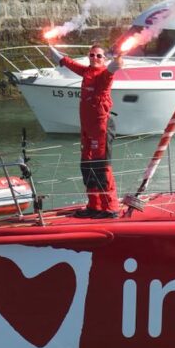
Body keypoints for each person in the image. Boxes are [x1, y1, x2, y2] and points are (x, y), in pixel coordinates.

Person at [49, 44, 124, 218]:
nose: (95, 58)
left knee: (101, 167)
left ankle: (110, 208)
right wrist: (58, 56)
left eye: (99, 56)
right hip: (87, 128)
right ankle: (94, 205)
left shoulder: (104, 75)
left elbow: (113, 68)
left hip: (102, 128)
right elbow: (72, 65)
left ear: (104, 59)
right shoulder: (87, 72)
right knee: (86, 166)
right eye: (92, 55)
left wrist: (118, 58)